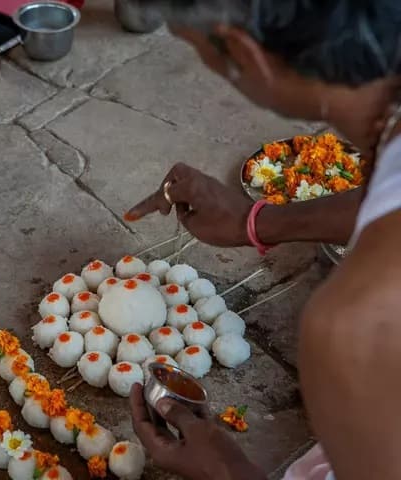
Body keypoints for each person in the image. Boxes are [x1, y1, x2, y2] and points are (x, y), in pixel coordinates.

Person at [124, 2, 401, 479]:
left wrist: (229, 470)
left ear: (244, 55)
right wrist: (256, 221)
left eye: (198, 52)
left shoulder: (354, 328)